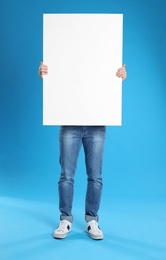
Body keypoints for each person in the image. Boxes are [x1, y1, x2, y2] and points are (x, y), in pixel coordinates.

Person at [38, 62, 127, 240]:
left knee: (95, 176)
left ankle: (92, 220)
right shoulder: (66, 50)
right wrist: (47, 75)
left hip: (96, 122)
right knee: (66, 175)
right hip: (69, 121)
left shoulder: (104, 50)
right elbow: (62, 76)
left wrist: (119, 77)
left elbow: (104, 79)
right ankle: (65, 219)